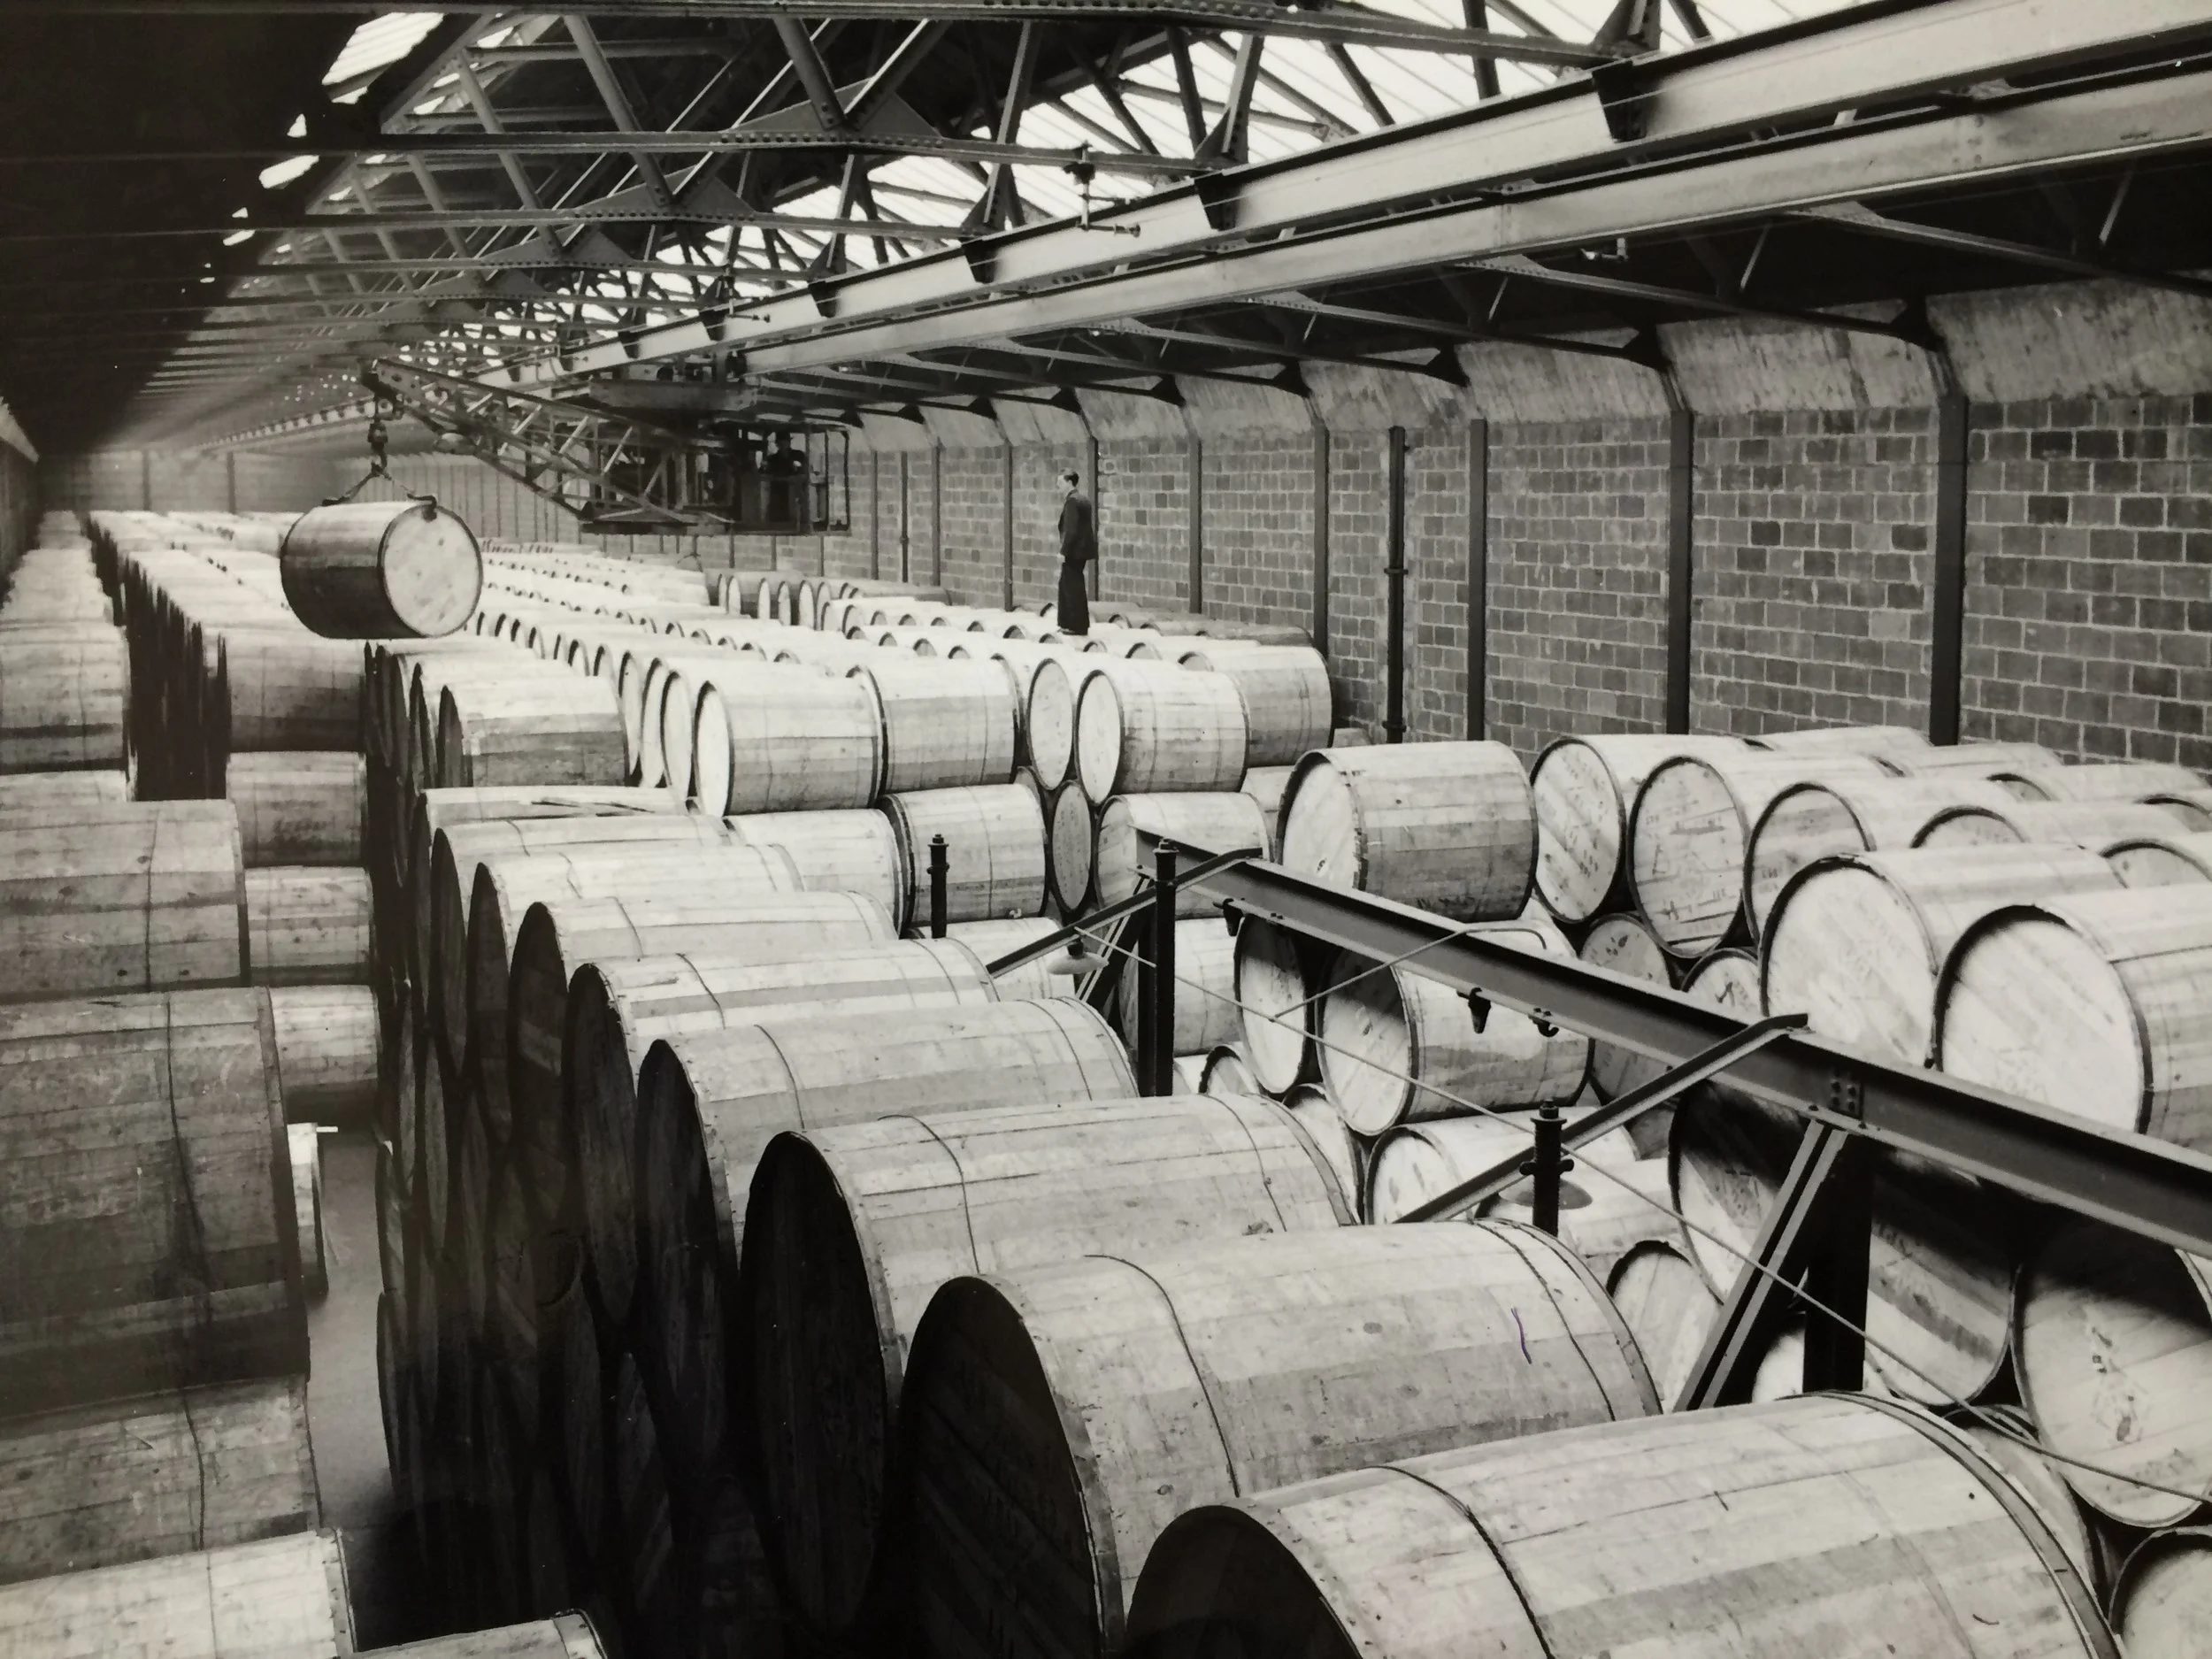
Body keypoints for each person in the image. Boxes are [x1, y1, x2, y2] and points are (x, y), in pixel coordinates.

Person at [1056, 466, 1095, 636]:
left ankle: (1075, 625)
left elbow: (1070, 530)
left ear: (1069, 482)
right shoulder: (1083, 500)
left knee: (1071, 587)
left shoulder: (1072, 502)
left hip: (1072, 552)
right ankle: (1072, 624)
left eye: (1060, 482)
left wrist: (1063, 551)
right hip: (1081, 552)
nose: (1058, 486)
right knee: (1073, 585)